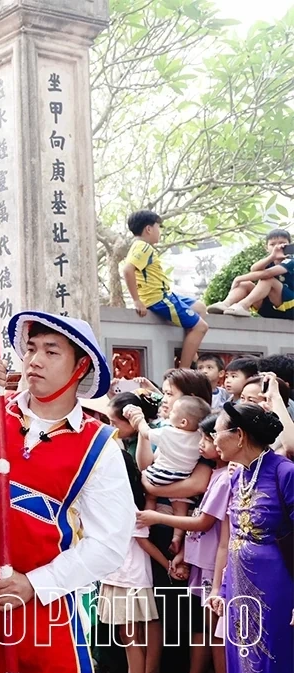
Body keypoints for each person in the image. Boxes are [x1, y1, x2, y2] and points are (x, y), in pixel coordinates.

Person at [0, 311, 135, 673]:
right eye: (30, 349)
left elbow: (110, 544)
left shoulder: (98, 445)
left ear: (80, 367)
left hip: (43, 604)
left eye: (51, 351)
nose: (35, 360)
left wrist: (36, 584)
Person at [137, 413, 229, 673]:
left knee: (213, 630)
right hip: (200, 561)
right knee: (203, 626)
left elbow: (204, 522)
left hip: (212, 564)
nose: (201, 443)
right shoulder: (215, 473)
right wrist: (183, 553)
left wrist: (157, 517)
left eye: (207, 439)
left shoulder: (224, 477)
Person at [207, 402, 293, 673]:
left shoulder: (285, 473)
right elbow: (232, 538)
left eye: (217, 432)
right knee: (240, 658)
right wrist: (222, 589)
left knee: (273, 662)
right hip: (238, 586)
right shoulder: (237, 476)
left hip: (276, 587)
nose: (213, 439)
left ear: (239, 435)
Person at [97, 449, 169, 673]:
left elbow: (142, 540)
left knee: (129, 635)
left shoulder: (121, 500)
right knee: (132, 633)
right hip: (124, 574)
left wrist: (168, 565)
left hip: (126, 576)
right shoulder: (125, 497)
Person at [121, 210, 208, 369]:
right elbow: (128, 270)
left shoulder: (140, 246)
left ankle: (191, 350)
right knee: (201, 327)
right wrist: (137, 300)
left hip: (166, 294)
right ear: (149, 229)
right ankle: (184, 371)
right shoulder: (143, 247)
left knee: (200, 308)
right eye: (158, 227)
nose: (159, 232)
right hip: (159, 300)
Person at [130, 396, 211, 550]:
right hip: (182, 477)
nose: (169, 410)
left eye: (174, 411)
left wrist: (140, 420)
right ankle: (177, 537)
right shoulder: (200, 438)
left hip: (159, 475)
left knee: (150, 496)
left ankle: (145, 526)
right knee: (181, 506)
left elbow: (146, 433)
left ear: (183, 422)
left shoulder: (167, 432)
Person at [207, 228, 294, 319]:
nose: (277, 247)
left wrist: (239, 278)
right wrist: (272, 257)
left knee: (268, 280)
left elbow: (267, 274)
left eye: (282, 243)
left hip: (291, 308)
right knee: (245, 284)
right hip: (270, 309)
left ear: (290, 245)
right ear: (266, 248)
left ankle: (243, 305)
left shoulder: (291, 261)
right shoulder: (269, 262)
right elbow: (254, 269)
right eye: (272, 244)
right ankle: (226, 304)